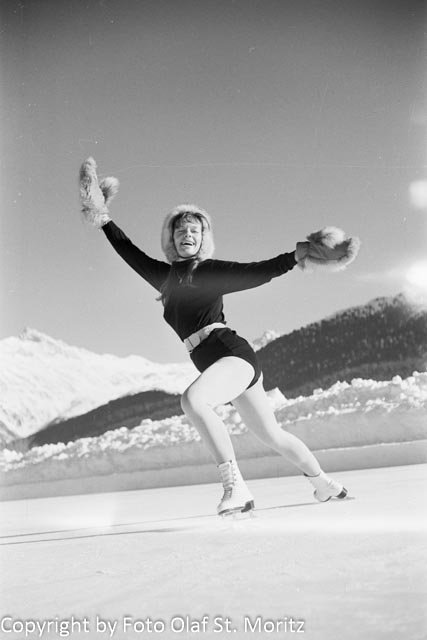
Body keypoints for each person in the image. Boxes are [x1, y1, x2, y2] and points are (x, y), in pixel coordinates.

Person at [79, 157, 360, 517]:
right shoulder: (163, 278)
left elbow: (256, 271)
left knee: (194, 401)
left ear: (203, 239)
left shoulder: (208, 271)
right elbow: (128, 250)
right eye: (180, 231)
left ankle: (236, 488)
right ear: (171, 240)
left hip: (232, 354)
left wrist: (297, 255)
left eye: (195, 231)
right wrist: (102, 217)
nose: (187, 235)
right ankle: (326, 484)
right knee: (272, 435)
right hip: (218, 364)